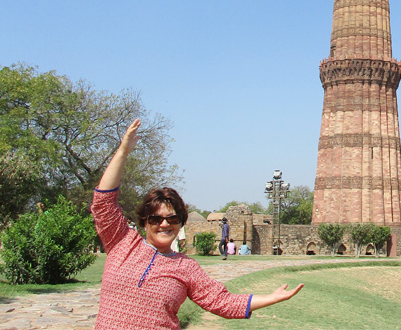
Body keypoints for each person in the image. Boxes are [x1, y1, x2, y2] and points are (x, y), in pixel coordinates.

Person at [92, 119, 302, 329]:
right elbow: (103, 202)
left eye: (172, 218)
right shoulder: (122, 243)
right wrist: (123, 151)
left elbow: (221, 301)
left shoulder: (185, 267)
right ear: (145, 222)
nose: (164, 224)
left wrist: (271, 298)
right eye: (156, 219)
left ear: (181, 223)